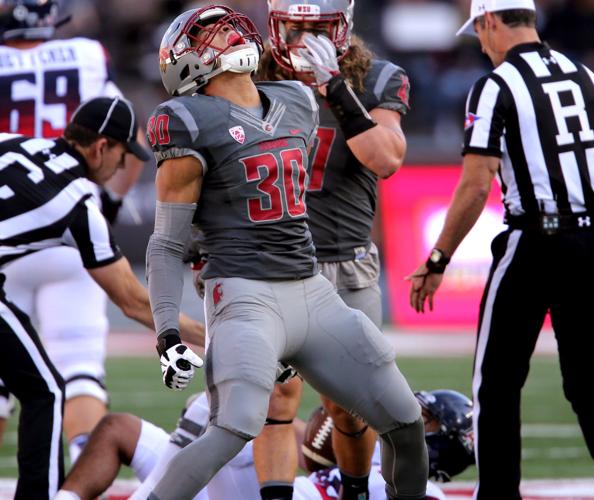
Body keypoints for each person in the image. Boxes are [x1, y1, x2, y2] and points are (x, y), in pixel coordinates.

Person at [144, 5, 427, 500]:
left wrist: (335, 87)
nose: (227, 37)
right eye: (212, 36)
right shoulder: (185, 120)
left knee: (404, 421)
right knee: (234, 426)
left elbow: (384, 158)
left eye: (229, 29)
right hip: (245, 290)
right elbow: (168, 242)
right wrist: (168, 329)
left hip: (316, 285)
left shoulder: (297, 99)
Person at [0, 96, 203, 500]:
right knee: (47, 390)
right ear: (100, 147)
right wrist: (205, 333)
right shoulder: (78, 202)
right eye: (122, 156)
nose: (122, 167)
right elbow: (132, 301)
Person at [0, 0, 159, 489]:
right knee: (81, 364)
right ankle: (79, 485)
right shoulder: (84, 56)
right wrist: (102, 208)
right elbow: (132, 140)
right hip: (71, 224)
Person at [407, 1, 594, 499]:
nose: (481, 45)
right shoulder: (587, 76)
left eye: (479, 32)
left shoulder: (495, 85)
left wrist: (439, 258)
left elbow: (476, 181)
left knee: (496, 385)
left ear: (490, 21)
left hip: (537, 240)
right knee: (587, 382)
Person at [255, 1, 411, 497]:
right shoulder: (250, 72)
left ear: (342, 28)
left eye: (317, 28)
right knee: (275, 396)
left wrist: (334, 88)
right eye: (294, 26)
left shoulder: (376, 78)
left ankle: (356, 490)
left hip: (344, 260)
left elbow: (385, 159)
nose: (303, 37)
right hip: (268, 258)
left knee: (351, 401)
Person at [55, 390, 475, 500]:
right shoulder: (364, 444)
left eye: (423, 419)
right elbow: (291, 433)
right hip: (245, 488)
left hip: (256, 492)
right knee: (116, 429)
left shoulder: (423, 493)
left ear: (440, 444)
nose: (407, 417)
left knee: (224, 413)